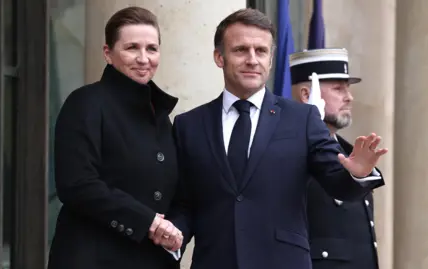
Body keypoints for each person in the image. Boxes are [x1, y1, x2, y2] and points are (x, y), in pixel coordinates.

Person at [154, 8, 388, 269]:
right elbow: (185, 202)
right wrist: (173, 237)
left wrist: (357, 173)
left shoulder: (302, 119)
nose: (252, 60)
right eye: (241, 50)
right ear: (219, 57)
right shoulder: (190, 125)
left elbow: (336, 181)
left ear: (271, 58)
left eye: (261, 51)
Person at [47, 6, 183, 269]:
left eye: (152, 49)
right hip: (94, 258)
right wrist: (149, 222)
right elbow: (77, 184)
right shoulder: (85, 103)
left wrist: (173, 232)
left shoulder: (159, 115)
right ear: (108, 53)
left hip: (151, 260)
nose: (143, 58)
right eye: (132, 47)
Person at [290, 48, 384, 269]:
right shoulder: (289, 149)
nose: (349, 97)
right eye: (338, 89)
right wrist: (309, 122)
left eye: (348, 88)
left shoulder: (347, 151)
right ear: (307, 95)